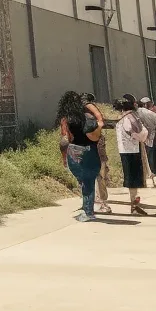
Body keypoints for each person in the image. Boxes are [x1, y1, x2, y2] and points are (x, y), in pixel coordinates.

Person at [56, 90, 102, 222]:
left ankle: (87, 209)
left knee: (83, 181)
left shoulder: (66, 119)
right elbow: (97, 131)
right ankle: (88, 210)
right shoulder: (88, 117)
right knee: (89, 181)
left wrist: (64, 157)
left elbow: (66, 137)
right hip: (90, 150)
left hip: (74, 150)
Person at [113, 95, 149, 216]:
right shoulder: (130, 117)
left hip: (125, 150)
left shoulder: (121, 118)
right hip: (132, 150)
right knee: (134, 178)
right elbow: (139, 132)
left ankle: (134, 202)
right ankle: (134, 204)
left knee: (131, 178)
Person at [81, 93, 112, 215]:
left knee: (98, 176)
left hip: (94, 148)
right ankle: (95, 203)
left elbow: (100, 120)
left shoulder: (89, 111)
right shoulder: (84, 116)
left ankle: (101, 203)